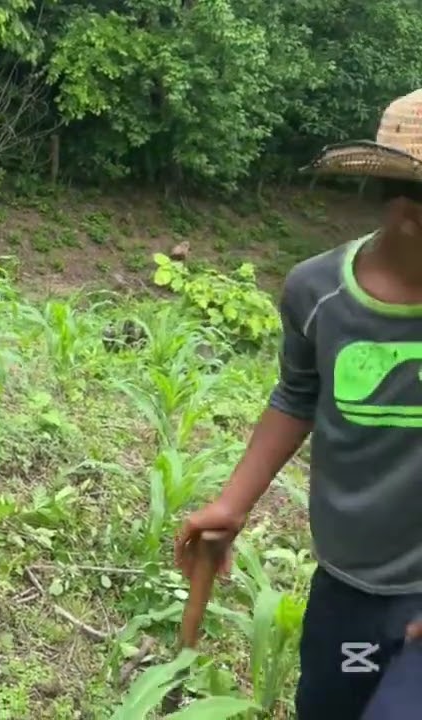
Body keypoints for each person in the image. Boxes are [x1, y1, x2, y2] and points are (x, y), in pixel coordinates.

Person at [174, 88, 422, 720]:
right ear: (408, 213)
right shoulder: (317, 292)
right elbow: (297, 395)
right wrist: (231, 505)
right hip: (349, 582)